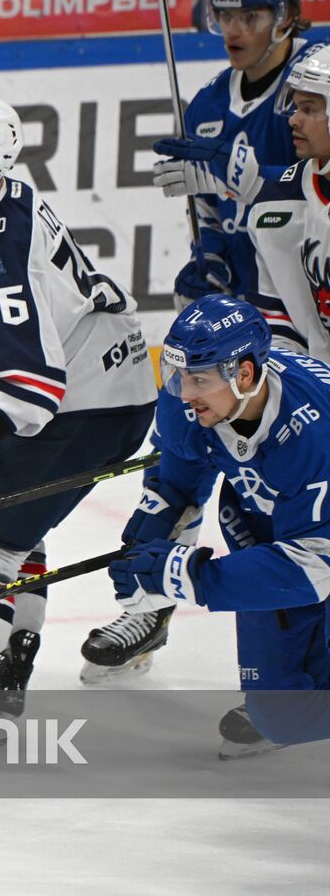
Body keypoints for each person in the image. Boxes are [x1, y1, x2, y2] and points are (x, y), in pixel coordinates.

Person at [0, 90, 158, 698]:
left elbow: (32, 377)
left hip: (86, 404)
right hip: (114, 384)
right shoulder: (8, 198)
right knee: (15, 521)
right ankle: (15, 652)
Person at [108, 295, 330, 757]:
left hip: (316, 545)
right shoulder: (190, 401)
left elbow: (315, 566)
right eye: (177, 374)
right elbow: (178, 480)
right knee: (282, 716)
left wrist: (190, 576)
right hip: (271, 527)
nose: (184, 392)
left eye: (199, 379)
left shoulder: (314, 433)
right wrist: (151, 536)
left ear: (244, 374)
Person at [153, 0, 315, 320]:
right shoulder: (206, 106)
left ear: (285, 16)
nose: (233, 30)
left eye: (250, 17)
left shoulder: (318, 82)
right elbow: (207, 209)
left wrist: (253, 178)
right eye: (225, 16)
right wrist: (213, 261)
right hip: (256, 308)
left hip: (315, 295)